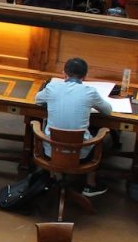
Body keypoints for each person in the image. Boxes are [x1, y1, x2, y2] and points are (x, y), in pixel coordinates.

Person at [35, 57, 111, 196]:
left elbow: (37, 99)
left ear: (64, 74)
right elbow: (108, 110)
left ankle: (54, 176)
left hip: (50, 151)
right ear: (85, 76)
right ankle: (90, 184)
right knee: (107, 138)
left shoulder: (52, 88)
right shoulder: (90, 92)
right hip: (80, 155)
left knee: (47, 123)